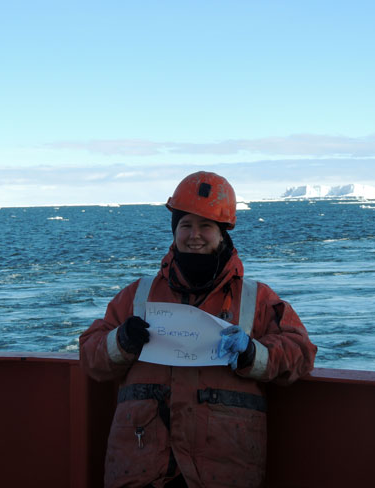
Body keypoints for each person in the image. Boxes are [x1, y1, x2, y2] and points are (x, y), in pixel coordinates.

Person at [79, 171, 317, 488]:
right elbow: (90, 355)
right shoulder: (138, 295)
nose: (194, 235)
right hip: (141, 469)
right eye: (185, 225)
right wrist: (121, 341)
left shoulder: (255, 298)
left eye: (206, 226)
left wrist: (253, 353)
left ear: (222, 234)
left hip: (222, 471)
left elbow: (301, 354)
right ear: (174, 231)